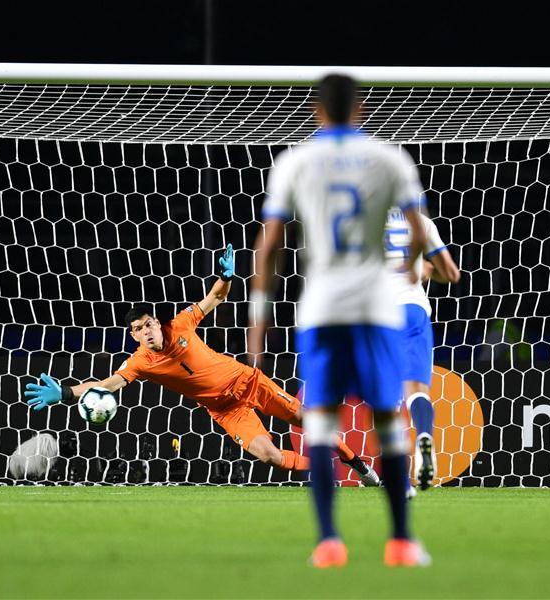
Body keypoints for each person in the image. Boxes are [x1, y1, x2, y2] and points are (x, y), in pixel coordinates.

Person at [249, 73, 430, 568]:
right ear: (362, 108)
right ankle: (400, 541)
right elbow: (419, 234)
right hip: (376, 308)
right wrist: (406, 263)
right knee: (389, 421)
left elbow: (269, 247)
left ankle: (329, 541)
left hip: (322, 309)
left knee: (322, 428)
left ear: (316, 110)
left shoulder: (296, 160)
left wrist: (258, 322)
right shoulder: (389, 159)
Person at [24, 245, 379, 484]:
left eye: (147, 324)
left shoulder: (180, 324)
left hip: (248, 382)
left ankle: (358, 465)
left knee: (310, 423)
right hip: (224, 409)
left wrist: (225, 276)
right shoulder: (141, 362)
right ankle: (327, 471)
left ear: (156, 322)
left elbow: (214, 298)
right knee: (269, 456)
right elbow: (108, 385)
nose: (145, 332)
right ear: (133, 337)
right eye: (137, 330)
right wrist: (67, 392)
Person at [384, 208, 460, 490]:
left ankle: (401, 481)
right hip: (414, 311)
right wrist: (424, 269)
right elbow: (451, 273)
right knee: (417, 389)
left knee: (388, 401)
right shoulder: (421, 222)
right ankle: (424, 438)